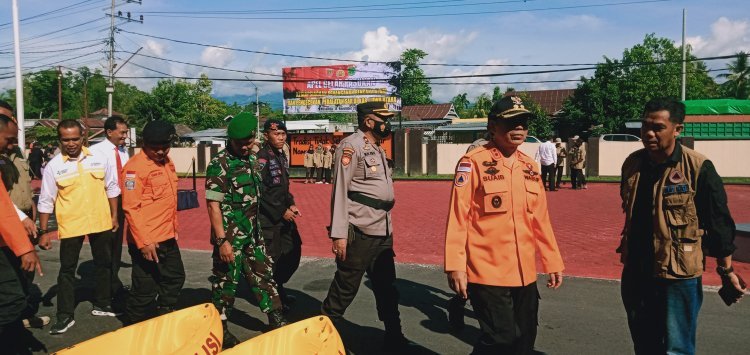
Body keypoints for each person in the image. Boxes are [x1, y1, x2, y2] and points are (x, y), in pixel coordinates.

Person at [618, 97, 746, 355]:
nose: (649, 133)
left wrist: (726, 270)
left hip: (677, 276)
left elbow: (718, 221)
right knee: (644, 345)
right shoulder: (632, 164)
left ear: (678, 129)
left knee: (677, 348)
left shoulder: (698, 167)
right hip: (637, 272)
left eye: (658, 127)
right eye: (645, 126)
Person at [445, 95, 564, 354]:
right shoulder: (473, 162)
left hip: (524, 272)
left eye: (523, 122)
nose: (519, 128)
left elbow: (540, 219)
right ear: (493, 126)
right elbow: (458, 216)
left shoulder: (530, 167)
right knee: (500, 338)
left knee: (525, 340)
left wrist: (552, 260)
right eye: (512, 123)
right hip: (486, 269)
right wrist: (455, 266)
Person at [321, 102, 413, 352]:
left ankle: (395, 335)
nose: (387, 122)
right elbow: (339, 190)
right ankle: (320, 340)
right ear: (368, 121)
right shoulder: (350, 146)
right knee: (345, 288)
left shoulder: (376, 148)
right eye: (383, 118)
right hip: (359, 230)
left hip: (382, 230)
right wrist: (339, 234)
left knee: (386, 287)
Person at [205, 112, 288, 348]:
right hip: (230, 236)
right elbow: (213, 205)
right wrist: (222, 241)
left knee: (264, 275)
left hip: (253, 232)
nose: (244, 146)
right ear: (230, 140)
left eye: (248, 141)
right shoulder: (219, 164)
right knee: (226, 283)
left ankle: (276, 318)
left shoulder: (252, 158)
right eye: (239, 143)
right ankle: (219, 328)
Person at [38, 119, 120, 335]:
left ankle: (103, 303)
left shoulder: (100, 158)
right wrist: (44, 231)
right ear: (60, 140)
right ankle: (65, 315)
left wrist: (114, 216)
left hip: (100, 220)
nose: (71, 143)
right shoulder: (54, 166)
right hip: (72, 224)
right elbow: (46, 200)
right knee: (66, 270)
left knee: (104, 263)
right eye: (66, 139)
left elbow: (111, 186)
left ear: (82, 137)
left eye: (75, 138)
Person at [121, 120, 185, 324]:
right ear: (144, 144)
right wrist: (145, 242)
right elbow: (131, 208)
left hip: (167, 235)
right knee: (144, 291)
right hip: (148, 241)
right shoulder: (134, 168)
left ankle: (162, 315)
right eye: (154, 148)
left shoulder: (167, 162)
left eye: (165, 147)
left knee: (175, 278)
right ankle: (133, 330)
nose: (160, 152)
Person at [0, 103, 49, 330]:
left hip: (17, 224)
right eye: (9, 138)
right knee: (11, 295)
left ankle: (19, 322)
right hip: (8, 229)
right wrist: (24, 248)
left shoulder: (13, 153)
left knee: (17, 287)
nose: (12, 143)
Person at [257, 119, 302, 311]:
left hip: (284, 215)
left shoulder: (281, 156)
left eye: (283, 134)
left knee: (293, 252)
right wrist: (281, 210)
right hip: (269, 219)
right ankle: (275, 303)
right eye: (277, 134)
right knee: (272, 260)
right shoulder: (262, 157)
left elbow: (283, 188)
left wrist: (291, 204)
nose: (281, 137)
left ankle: (279, 286)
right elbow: (260, 190)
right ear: (267, 135)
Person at [89, 116, 130, 309]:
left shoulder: (123, 151)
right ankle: (102, 299)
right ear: (109, 132)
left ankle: (114, 287)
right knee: (103, 253)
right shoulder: (95, 152)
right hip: (102, 204)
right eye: (122, 132)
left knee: (115, 250)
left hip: (120, 203)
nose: (125, 136)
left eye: (126, 132)